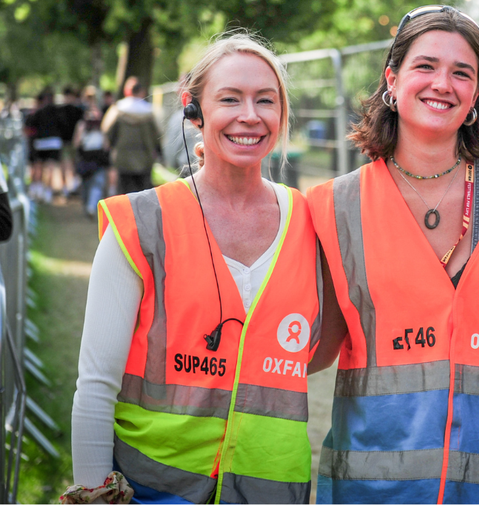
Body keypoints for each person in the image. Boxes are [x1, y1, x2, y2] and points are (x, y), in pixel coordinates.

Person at [306, 5, 479, 503]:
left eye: (461, 73)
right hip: (376, 489)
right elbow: (309, 349)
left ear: (476, 96)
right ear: (391, 81)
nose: (443, 83)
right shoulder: (332, 207)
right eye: (425, 66)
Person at [70, 33, 322, 502]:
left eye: (265, 100)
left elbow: (318, 348)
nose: (250, 115)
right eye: (230, 99)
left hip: (271, 487)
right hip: (153, 488)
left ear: (282, 113)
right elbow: (95, 387)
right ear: (193, 109)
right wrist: (92, 492)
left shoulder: (312, 220)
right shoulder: (139, 222)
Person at [72, 100, 111, 219]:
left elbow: (106, 144)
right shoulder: (82, 125)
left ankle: (91, 207)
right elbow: (77, 143)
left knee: (97, 183)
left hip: (97, 159)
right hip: (87, 159)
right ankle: (89, 205)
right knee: (87, 185)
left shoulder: (103, 125)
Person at [23, 88, 63, 203]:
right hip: (54, 142)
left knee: (38, 166)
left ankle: (38, 189)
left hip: (41, 142)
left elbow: (30, 127)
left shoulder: (38, 112)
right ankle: (47, 191)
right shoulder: (58, 112)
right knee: (50, 167)